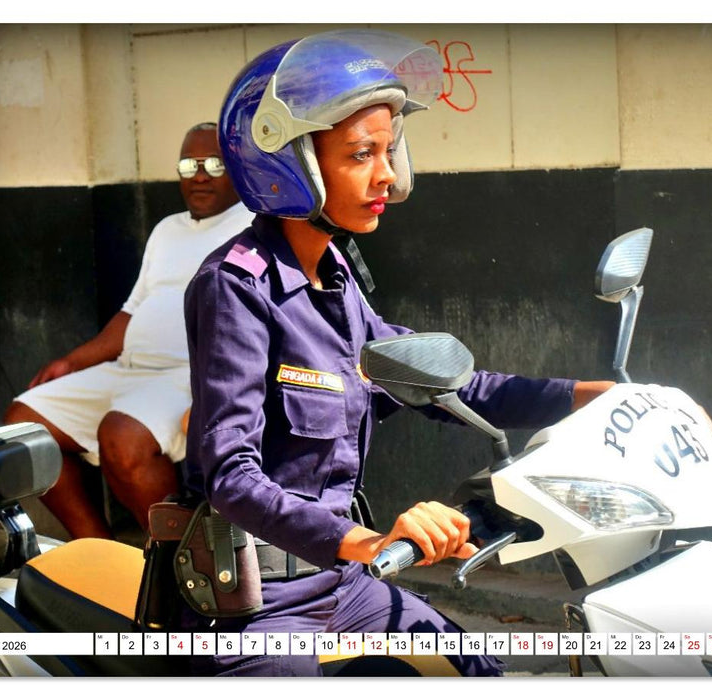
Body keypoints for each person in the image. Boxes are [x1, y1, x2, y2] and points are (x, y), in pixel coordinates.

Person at [182, 30, 614, 677]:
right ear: (286, 164)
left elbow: (441, 385)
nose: (385, 173)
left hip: (344, 581)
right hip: (255, 601)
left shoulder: (335, 279)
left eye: (388, 151)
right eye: (361, 154)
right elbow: (230, 477)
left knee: (476, 672)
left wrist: (592, 397)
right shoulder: (236, 287)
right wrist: (371, 542)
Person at [4, 123, 255, 540]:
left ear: (238, 168)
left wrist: (216, 392)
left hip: (190, 377)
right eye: (188, 165)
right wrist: (71, 361)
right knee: (25, 425)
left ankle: (179, 561)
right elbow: (131, 313)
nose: (199, 174)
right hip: (130, 370)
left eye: (214, 163)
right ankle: (95, 547)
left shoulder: (251, 225)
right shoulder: (167, 230)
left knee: (121, 436)